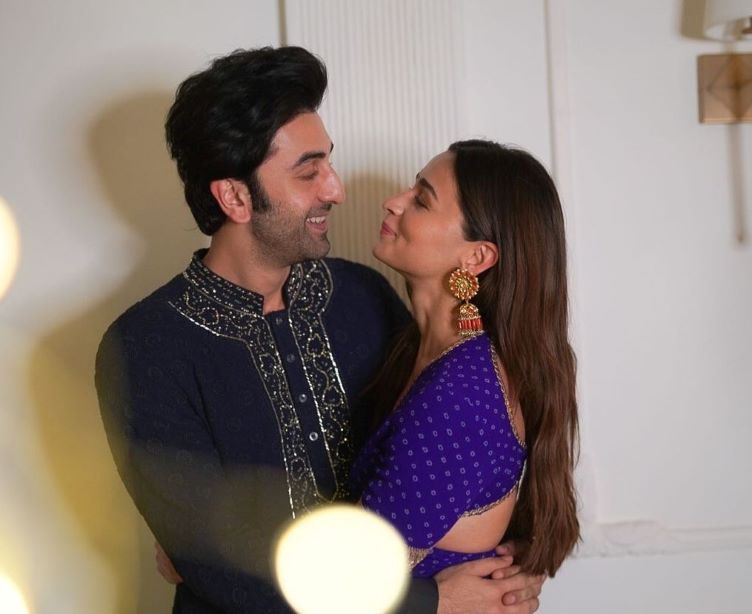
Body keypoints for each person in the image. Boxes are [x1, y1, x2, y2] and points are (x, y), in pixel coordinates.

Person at [96, 46, 543, 613]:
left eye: (328, 163)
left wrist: (512, 556)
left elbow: (456, 454)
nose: (336, 189)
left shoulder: (363, 297)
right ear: (234, 196)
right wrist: (430, 602)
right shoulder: (146, 347)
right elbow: (222, 572)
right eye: (308, 172)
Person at [352, 139, 580, 580]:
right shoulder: (419, 347)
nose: (393, 202)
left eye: (421, 200)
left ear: (476, 257)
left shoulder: (462, 394)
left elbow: (352, 573)